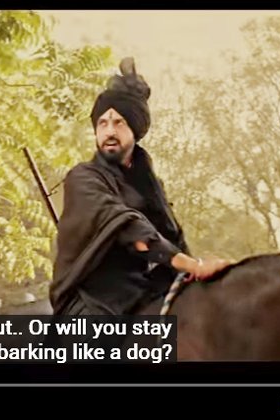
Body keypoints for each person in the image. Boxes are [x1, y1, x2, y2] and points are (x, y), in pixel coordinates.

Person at [49, 57, 231, 316]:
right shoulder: (83, 178)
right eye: (103, 123)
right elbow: (128, 227)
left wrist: (196, 273)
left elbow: (171, 236)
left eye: (118, 122)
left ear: (135, 129)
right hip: (90, 300)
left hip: (140, 291)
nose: (109, 131)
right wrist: (192, 265)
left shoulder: (150, 186)